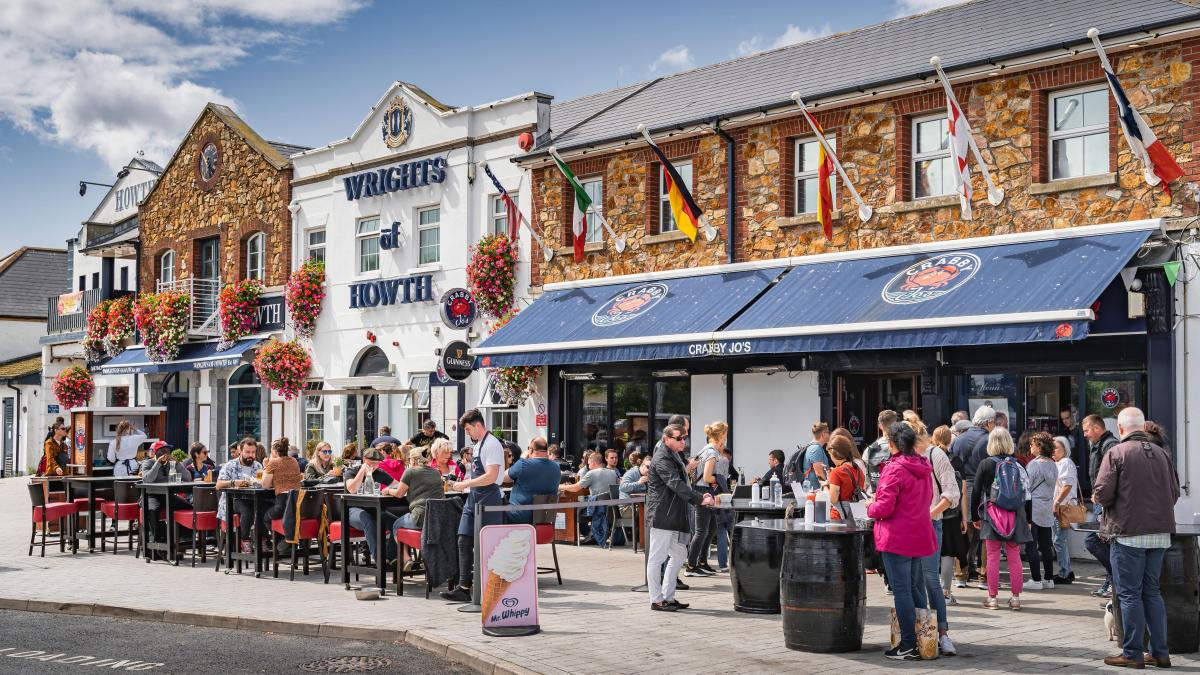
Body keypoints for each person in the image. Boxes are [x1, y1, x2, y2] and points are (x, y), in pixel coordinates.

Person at [1093, 407, 1179, 669]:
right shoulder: (1163, 455)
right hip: (1160, 534)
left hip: (1128, 532)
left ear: (1120, 429)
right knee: (1152, 592)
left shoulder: (1116, 452)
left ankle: (1132, 653)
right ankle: (1160, 652)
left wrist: (1098, 498)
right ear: (1142, 427)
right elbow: (1174, 493)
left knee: (1129, 595)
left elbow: (1103, 493)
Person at [866, 422, 935, 661]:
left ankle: (908, 644)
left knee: (902, 591)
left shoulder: (894, 468)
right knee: (916, 589)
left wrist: (869, 506)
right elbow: (927, 499)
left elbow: (884, 507)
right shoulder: (923, 465)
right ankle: (924, 639)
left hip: (897, 536)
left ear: (892, 443)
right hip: (918, 532)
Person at [646, 424, 714, 612]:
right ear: (666, 439)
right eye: (679, 438)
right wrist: (700, 499)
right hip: (662, 515)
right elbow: (675, 483)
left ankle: (668, 596)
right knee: (657, 558)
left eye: (684, 438)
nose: (683, 441)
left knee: (679, 554)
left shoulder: (675, 455)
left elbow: (682, 482)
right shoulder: (662, 457)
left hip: (675, 515)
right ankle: (657, 600)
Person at [442, 409, 506, 603]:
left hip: (488, 498)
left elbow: (492, 476)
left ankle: (491, 587)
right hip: (474, 498)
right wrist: (464, 481)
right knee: (464, 539)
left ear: (478, 425)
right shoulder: (478, 444)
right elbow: (479, 473)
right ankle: (464, 588)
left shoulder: (492, 444)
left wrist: (466, 484)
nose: (468, 433)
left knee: (489, 545)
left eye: (469, 429)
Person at [911, 426, 960, 656]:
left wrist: (928, 515)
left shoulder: (935, 454)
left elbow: (951, 495)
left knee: (930, 578)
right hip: (908, 527)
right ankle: (921, 632)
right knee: (914, 580)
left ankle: (943, 633)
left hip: (931, 524)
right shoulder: (905, 457)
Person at [971, 427, 1030, 610]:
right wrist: (1028, 518)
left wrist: (975, 515)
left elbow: (976, 491)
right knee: (1014, 556)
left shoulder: (986, 464)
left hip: (993, 514)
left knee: (993, 556)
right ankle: (1016, 598)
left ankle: (993, 598)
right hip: (1016, 513)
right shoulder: (1018, 464)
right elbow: (1027, 493)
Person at [951, 405, 995, 582]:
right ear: (989, 422)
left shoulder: (959, 439)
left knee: (964, 533)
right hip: (983, 490)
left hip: (962, 490)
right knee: (985, 534)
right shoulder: (990, 440)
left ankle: (961, 574)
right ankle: (984, 577)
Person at [932, 425, 969, 605]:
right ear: (950, 440)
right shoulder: (954, 460)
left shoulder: (929, 458)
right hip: (950, 513)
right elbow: (961, 491)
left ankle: (931, 592)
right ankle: (945, 592)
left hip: (931, 511)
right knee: (948, 552)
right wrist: (964, 517)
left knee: (930, 553)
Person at [685, 421, 726, 576]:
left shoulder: (705, 450)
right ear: (721, 435)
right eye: (726, 433)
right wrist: (718, 479)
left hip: (701, 490)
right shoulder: (712, 453)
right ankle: (691, 566)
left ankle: (702, 562)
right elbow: (708, 476)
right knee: (702, 530)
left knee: (710, 529)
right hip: (705, 492)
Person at [140, 441, 193, 551]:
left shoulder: (171, 464)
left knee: (188, 507)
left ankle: (183, 538)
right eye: (162, 451)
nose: (166, 453)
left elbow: (188, 478)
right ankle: (156, 540)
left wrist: (178, 464)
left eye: (168, 451)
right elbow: (147, 480)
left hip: (167, 495)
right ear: (155, 453)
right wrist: (158, 463)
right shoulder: (147, 463)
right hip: (151, 495)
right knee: (152, 510)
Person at [561, 451, 620, 546]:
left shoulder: (591, 473)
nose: (588, 466)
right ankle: (591, 535)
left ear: (593, 463)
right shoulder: (613, 473)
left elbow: (575, 488)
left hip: (597, 509)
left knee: (575, 509)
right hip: (610, 509)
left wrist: (560, 487)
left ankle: (576, 537)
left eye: (589, 464)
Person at [216, 437, 263, 554]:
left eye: (253, 452)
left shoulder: (258, 466)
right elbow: (218, 485)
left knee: (265, 506)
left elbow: (262, 483)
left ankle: (262, 539)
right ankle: (244, 539)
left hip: (252, 498)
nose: (250, 455)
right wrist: (234, 482)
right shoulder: (230, 465)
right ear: (240, 451)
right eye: (247, 452)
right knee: (247, 509)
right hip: (232, 501)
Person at [1024, 433, 1058, 591]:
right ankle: (1049, 579)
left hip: (1034, 507)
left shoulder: (1033, 465)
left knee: (1031, 544)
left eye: (1032, 444)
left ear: (1040, 446)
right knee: (1046, 545)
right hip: (1047, 506)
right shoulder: (1053, 464)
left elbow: (1026, 487)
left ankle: (1036, 580)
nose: (1030, 447)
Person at [503, 437, 560, 525]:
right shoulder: (556, 467)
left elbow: (504, 477)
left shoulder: (523, 464)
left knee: (496, 510)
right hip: (545, 518)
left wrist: (522, 458)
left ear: (531, 449)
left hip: (520, 517)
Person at [261, 437, 302, 553]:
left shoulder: (273, 462)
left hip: (283, 504)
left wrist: (265, 466)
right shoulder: (294, 461)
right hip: (297, 503)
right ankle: (285, 543)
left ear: (274, 451)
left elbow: (264, 484)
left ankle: (284, 540)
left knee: (265, 518)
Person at [388, 446, 444, 531]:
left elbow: (399, 494)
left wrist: (387, 490)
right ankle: (411, 544)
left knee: (396, 525)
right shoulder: (436, 472)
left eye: (410, 458)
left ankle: (408, 544)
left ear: (413, 460)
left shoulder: (410, 471)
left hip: (420, 517)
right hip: (439, 517)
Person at [825, 434, 866, 508]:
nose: (831, 458)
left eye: (830, 455)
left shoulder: (836, 472)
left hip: (839, 516)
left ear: (835, 454)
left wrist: (825, 486)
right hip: (856, 515)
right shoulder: (858, 470)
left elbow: (833, 500)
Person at [787, 422, 830, 490]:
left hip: (813, 490)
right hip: (816, 491)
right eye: (828, 432)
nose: (829, 434)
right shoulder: (816, 449)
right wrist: (827, 488)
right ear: (823, 434)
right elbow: (819, 473)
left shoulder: (812, 447)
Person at [1084, 414, 1118, 494]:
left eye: (1086, 431)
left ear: (1096, 428)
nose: (1084, 435)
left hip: (1106, 499)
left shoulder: (1111, 445)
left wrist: (1101, 496)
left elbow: (1111, 476)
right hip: (1098, 496)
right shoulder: (1096, 444)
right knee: (1097, 507)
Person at [865, 410, 898, 490]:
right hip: (899, 495)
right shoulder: (904, 447)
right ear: (896, 424)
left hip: (878, 495)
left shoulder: (869, 450)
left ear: (880, 426)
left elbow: (866, 481)